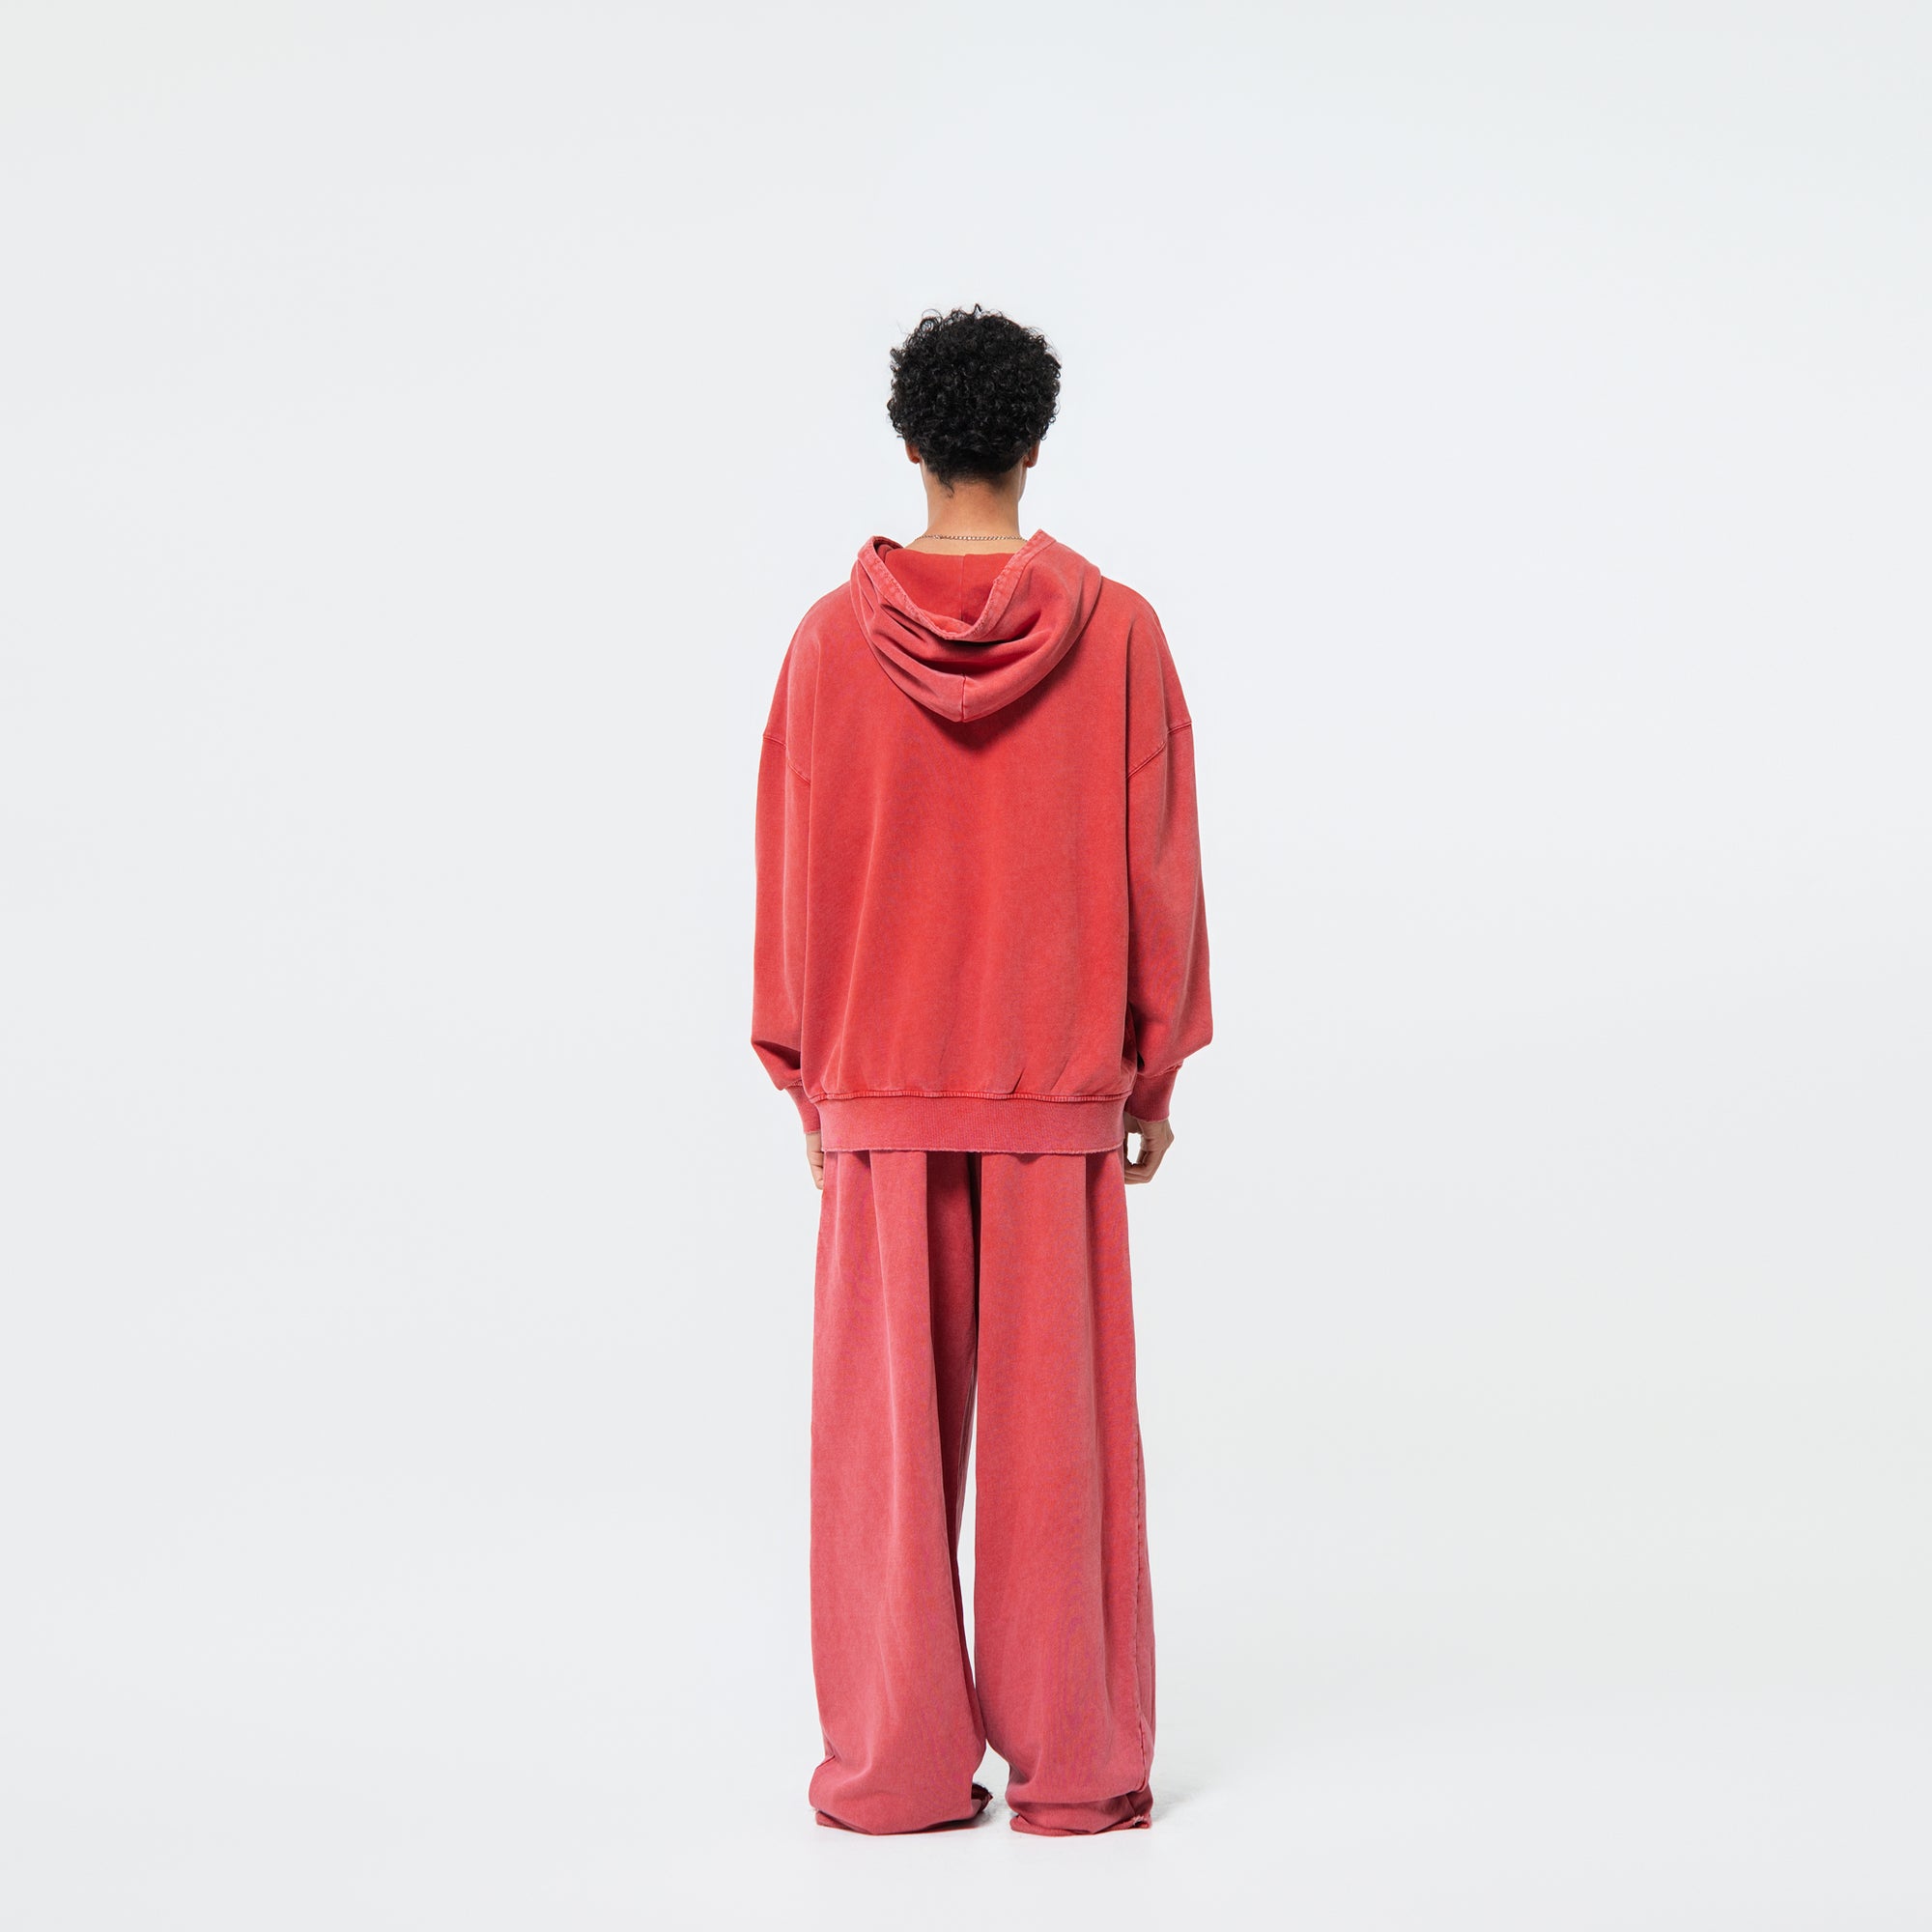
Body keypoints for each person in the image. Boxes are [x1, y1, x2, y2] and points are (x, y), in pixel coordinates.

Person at [751, 304, 1212, 1836]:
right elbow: (1160, 867)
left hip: (883, 1093)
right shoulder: (1120, 633)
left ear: (910, 444)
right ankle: (1074, 1770)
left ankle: (895, 1772)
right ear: (1034, 444)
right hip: (1053, 1091)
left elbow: (793, 870)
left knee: (880, 1466)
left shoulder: (830, 643)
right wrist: (1148, 1075)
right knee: (1055, 1460)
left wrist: (811, 1082)